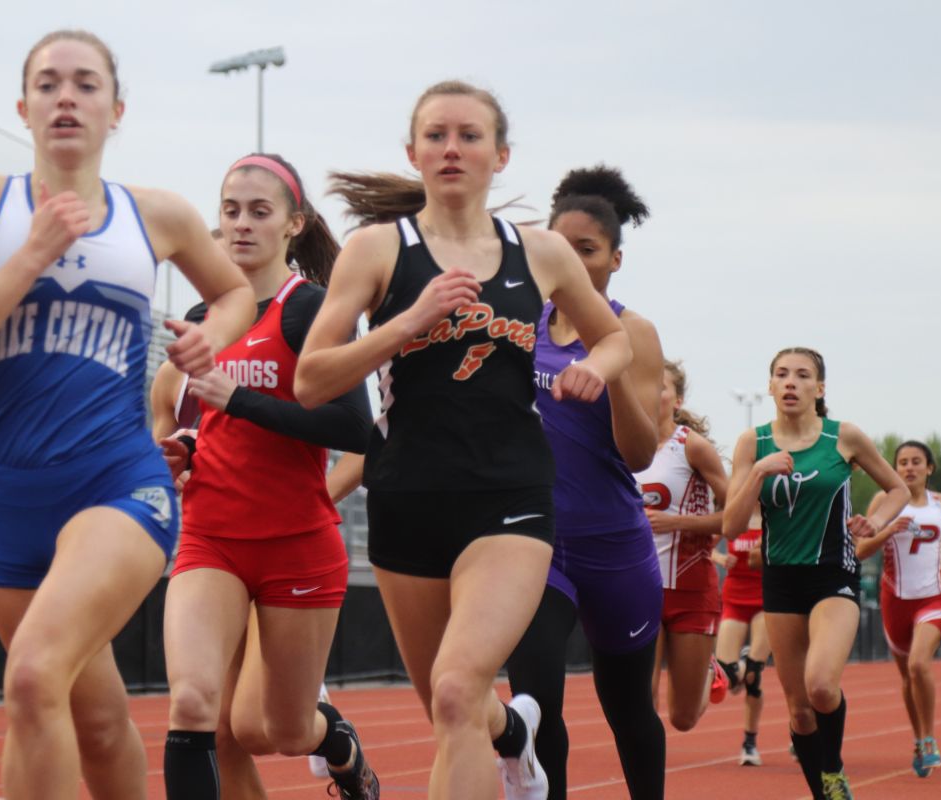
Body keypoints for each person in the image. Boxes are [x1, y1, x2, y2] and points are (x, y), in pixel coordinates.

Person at [0, 29, 255, 799]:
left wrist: (211, 338)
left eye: (86, 84)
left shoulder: (152, 215)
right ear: (24, 106)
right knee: (92, 721)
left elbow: (236, 293)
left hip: (116, 484)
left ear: (115, 109)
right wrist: (28, 259)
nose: (67, 96)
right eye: (49, 83)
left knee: (31, 679)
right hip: (4, 497)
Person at [297, 81, 634, 800]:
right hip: (406, 500)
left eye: (470, 135)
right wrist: (404, 323)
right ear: (413, 152)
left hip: (509, 501)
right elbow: (311, 380)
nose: (452, 148)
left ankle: (507, 737)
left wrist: (596, 371)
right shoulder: (377, 250)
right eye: (437, 135)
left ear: (501, 154)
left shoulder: (540, 253)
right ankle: (516, 735)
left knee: (455, 694)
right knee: (454, 708)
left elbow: (613, 339)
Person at [159, 153, 377, 800]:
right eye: (230, 211)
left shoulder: (308, 308)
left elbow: (355, 429)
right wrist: (180, 448)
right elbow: (193, 421)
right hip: (210, 537)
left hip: (295, 542)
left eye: (260, 212)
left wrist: (240, 399)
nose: (242, 225)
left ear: (293, 224)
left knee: (270, 730)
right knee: (197, 710)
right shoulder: (201, 321)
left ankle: (335, 743)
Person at [501, 164, 665, 800]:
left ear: (615, 259)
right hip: (538, 544)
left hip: (615, 548)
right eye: (559, 246)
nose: (569, 260)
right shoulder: (521, 326)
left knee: (628, 712)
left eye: (587, 250)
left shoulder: (638, 333)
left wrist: (611, 363)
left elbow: (641, 453)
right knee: (536, 707)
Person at [723, 347, 909, 800]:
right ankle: (823, 793)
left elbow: (897, 489)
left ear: (819, 389)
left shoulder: (842, 437)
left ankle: (833, 769)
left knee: (822, 686)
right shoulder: (755, 443)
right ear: (769, 386)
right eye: (781, 375)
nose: (791, 382)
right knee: (799, 710)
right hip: (781, 579)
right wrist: (757, 474)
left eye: (802, 375)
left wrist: (876, 521)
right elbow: (730, 524)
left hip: (833, 574)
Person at [855, 440, 941, 777]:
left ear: (929, 468)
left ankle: (929, 739)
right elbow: (860, 550)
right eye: (902, 462)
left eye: (917, 462)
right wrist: (888, 529)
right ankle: (918, 739)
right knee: (906, 676)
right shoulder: (883, 503)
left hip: (934, 595)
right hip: (895, 598)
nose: (909, 468)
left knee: (919, 664)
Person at [636, 360, 730, 731]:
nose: (650, 392)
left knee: (683, 718)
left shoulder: (692, 447)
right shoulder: (619, 446)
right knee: (641, 698)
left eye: (660, 386)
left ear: (677, 399)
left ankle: (709, 668)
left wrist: (679, 522)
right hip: (638, 588)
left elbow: (736, 515)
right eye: (643, 384)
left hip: (691, 589)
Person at [712, 506, 771, 767]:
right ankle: (743, 662)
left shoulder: (775, 516)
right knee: (725, 677)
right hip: (735, 596)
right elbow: (705, 545)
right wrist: (720, 558)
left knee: (753, 677)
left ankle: (750, 742)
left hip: (765, 598)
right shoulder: (735, 516)